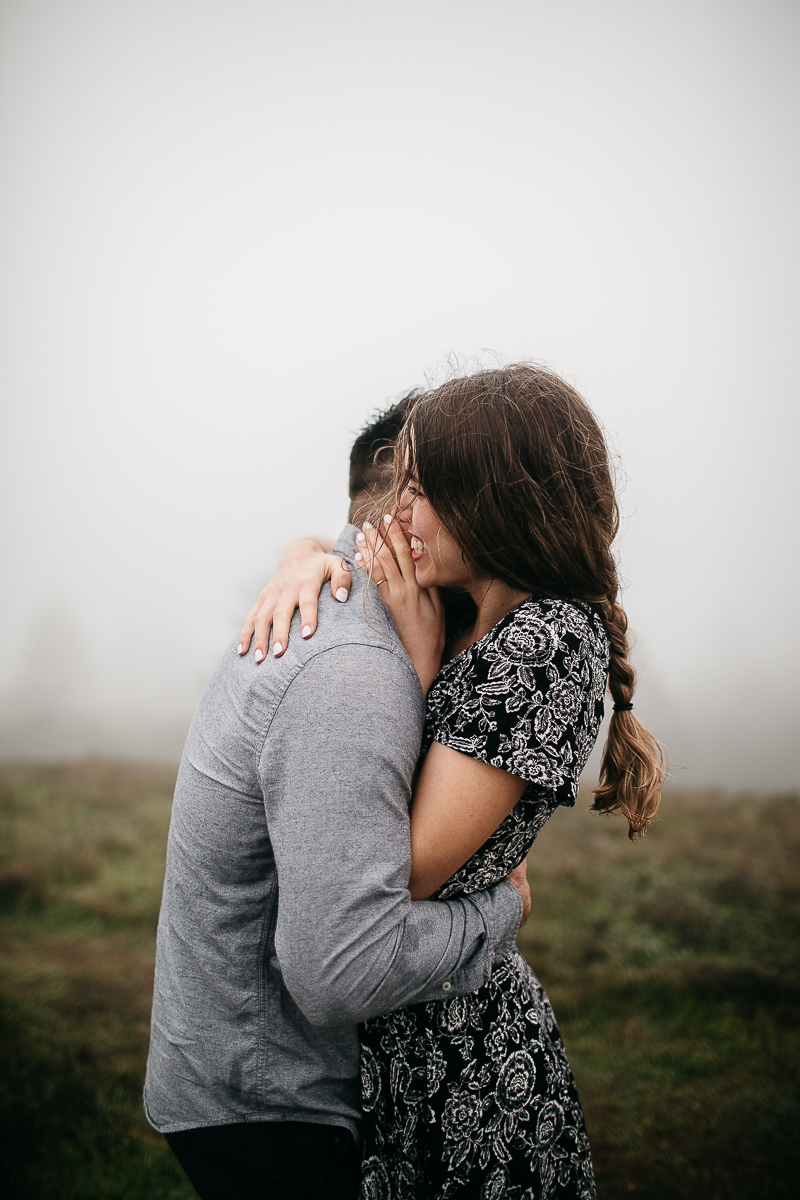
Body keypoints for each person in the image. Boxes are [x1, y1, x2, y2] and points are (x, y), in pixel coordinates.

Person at [240, 363, 665, 1199]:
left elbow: (400, 869)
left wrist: (418, 658)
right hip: (408, 1040)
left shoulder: (546, 643)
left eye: (427, 491)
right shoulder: (484, 615)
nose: (402, 511)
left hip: (468, 1068)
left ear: (496, 502)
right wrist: (300, 559)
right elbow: (344, 541)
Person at [143, 395, 531, 1200]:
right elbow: (340, 975)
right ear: (403, 508)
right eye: (454, 485)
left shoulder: (345, 618)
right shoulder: (350, 664)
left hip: (251, 1083)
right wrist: (502, 911)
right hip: (270, 1105)